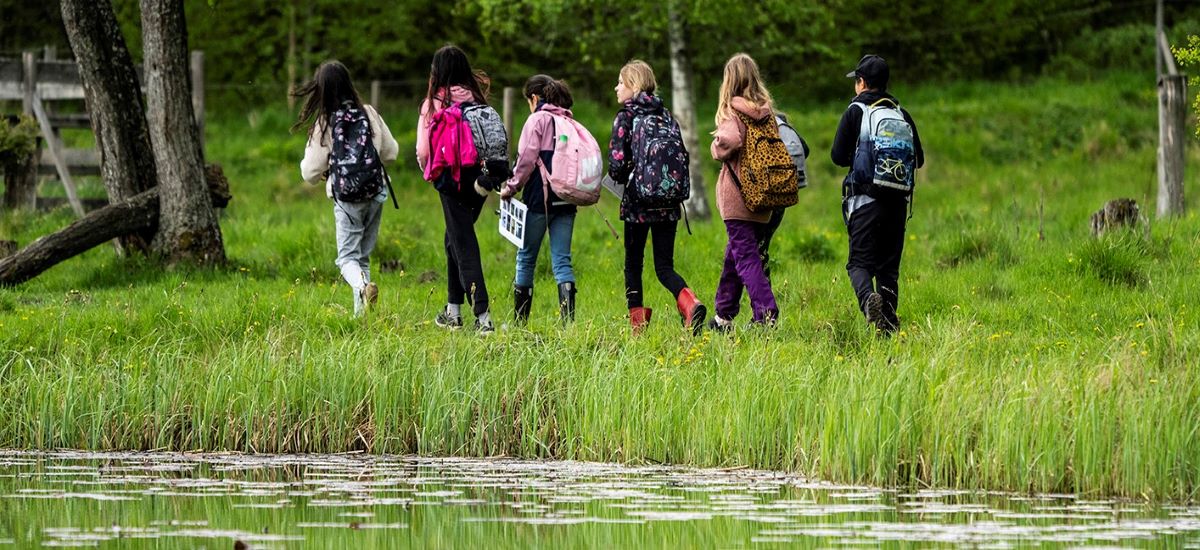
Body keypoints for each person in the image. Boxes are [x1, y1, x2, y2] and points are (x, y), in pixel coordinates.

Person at [607, 60, 706, 335]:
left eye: (620, 81)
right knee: (664, 266)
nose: (616, 87)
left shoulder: (625, 117)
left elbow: (616, 166)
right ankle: (690, 303)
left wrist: (625, 172)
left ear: (633, 85)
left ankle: (638, 328)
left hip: (638, 204)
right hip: (669, 203)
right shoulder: (667, 117)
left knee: (633, 265)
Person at [295, 60, 398, 317]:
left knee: (346, 260)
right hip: (376, 192)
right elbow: (392, 152)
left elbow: (309, 171)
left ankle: (363, 287)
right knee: (361, 256)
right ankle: (360, 316)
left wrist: (328, 171)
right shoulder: (369, 113)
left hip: (348, 199)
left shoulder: (325, 123)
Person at [830, 54, 924, 334]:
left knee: (858, 263)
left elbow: (837, 156)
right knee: (888, 270)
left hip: (865, 201)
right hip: (897, 202)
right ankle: (888, 326)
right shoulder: (900, 112)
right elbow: (918, 159)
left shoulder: (856, 111)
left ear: (861, 83)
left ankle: (867, 300)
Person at [417, 45, 495, 334]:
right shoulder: (479, 102)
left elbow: (424, 150)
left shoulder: (434, 103)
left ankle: (483, 317)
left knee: (463, 244)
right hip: (479, 182)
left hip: (450, 180)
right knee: (453, 239)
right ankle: (453, 311)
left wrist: (429, 172)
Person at [707, 53, 780, 331]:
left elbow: (729, 141)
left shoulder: (733, 112)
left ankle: (766, 313)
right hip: (763, 198)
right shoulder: (766, 113)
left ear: (730, 81)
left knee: (746, 257)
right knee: (734, 256)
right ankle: (723, 316)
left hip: (738, 200)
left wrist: (716, 147)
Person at [499, 75, 579, 323]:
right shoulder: (568, 120)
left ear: (534, 98)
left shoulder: (537, 120)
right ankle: (569, 325)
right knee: (562, 260)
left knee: (526, 257)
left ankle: (520, 323)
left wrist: (510, 188)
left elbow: (525, 160)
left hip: (538, 199)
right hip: (567, 199)